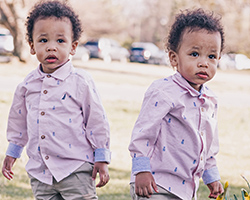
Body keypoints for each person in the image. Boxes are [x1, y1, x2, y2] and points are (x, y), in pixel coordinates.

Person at [2, 1, 111, 199]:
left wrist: (101, 157)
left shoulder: (81, 82)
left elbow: (96, 121)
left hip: (76, 168)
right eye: (43, 40)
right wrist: (13, 152)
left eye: (60, 41)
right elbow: (18, 123)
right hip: (41, 173)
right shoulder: (27, 86)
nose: (51, 47)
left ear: (73, 46)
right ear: (32, 46)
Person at [129, 8, 225, 200]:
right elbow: (143, 133)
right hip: (156, 182)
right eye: (195, 54)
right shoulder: (164, 91)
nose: (204, 63)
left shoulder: (210, 101)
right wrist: (141, 170)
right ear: (174, 58)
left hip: (187, 189)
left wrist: (211, 176)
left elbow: (208, 145)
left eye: (211, 56)